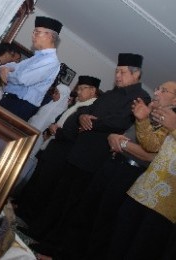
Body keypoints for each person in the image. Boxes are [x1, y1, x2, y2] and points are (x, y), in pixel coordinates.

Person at [17, 53, 151, 250]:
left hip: (94, 160)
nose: (117, 76)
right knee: (58, 197)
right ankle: (38, 231)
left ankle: (52, 244)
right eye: (116, 72)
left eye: (122, 72)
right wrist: (82, 118)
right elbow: (83, 111)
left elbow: (121, 121)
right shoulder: (111, 94)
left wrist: (92, 121)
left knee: (73, 206)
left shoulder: (141, 98)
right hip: (77, 153)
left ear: (136, 74)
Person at [39, 82, 176, 260]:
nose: (156, 92)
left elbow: (150, 154)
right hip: (132, 180)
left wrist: (124, 143)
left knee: (107, 230)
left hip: (146, 186)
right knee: (88, 213)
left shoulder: (170, 119)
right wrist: (142, 120)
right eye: (158, 88)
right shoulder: (157, 114)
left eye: (162, 90)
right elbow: (151, 144)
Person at [13, 75, 101, 228]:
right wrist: (52, 127)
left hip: (62, 154)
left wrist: (57, 131)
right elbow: (59, 121)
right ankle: (19, 211)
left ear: (93, 91)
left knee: (43, 186)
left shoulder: (89, 109)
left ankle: (27, 219)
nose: (78, 92)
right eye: (78, 88)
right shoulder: (78, 105)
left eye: (81, 89)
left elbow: (74, 134)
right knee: (36, 181)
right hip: (52, 148)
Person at [107, 104, 176, 259]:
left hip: (165, 206)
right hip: (141, 191)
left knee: (139, 251)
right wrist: (143, 120)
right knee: (117, 243)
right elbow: (151, 146)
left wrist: (174, 128)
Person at [12, 77, 70, 196]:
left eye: (57, 93)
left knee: (27, 163)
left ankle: (15, 190)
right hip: (29, 136)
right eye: (54, 92)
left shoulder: (61, 111)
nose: (54, 95)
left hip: (39, 141)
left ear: (63, 95)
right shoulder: (50, 104)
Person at [0, 16, 63, 121]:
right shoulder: (37, 57)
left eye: (37, 32)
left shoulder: (51, 61)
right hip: (11, 100)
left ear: (50, 36)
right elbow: (15, 66)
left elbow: (23, 79)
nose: (33, 35)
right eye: (34, 32)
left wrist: (6, 73)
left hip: (20, 106)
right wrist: (4, 68)